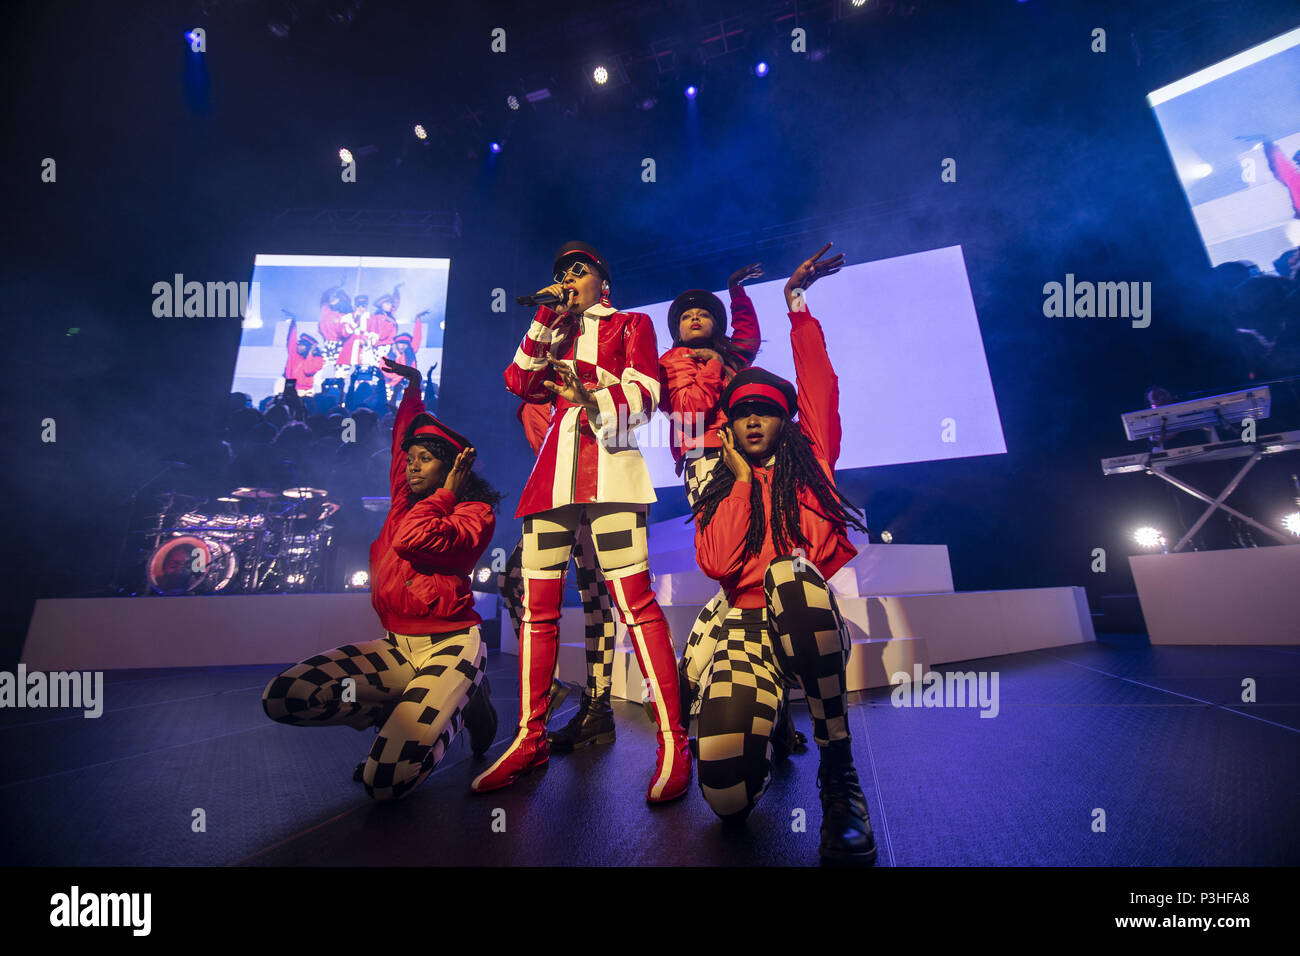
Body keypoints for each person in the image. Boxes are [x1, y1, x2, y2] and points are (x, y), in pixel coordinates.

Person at [471, 241, 691, 803]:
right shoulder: (554, 329)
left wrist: (588, 392)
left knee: (633, 602)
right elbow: (518, 382)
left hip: (612, 467)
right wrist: (547, 314)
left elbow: (646, 393)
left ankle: (673, 742)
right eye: (560, 270)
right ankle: (530, 739)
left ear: (603, 281)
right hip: (552, 478)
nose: (567, 277)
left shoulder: (631, 324)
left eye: (578, 269)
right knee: (537, 611)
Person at [690, 242, 877, 864]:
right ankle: (768, 725)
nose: (751, 421)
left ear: (787, 422)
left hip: (806, 617)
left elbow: (818, 380)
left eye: (765, 411)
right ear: (728, 427)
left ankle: (837, 770)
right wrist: (740, 480)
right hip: (742, 628)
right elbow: (718, 564)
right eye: (740, 413)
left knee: (791, 576)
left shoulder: (813, 457)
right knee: (725, 799)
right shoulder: (716, 479)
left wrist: (794, 304)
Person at [261, 356, 502, 802]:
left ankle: (466, 702)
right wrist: (412, 391)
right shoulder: (405, 498)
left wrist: (447, 491)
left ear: (452, 469)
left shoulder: (473, 513)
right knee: (287, 696)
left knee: (385, 783)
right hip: (396, 647)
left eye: (424, 460)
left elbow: (413, 540)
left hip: (450, 646)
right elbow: (401, 439)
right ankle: (390, 709)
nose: (411, 467)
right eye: (410, 460)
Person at [495, 399, 620, 752]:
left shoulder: (580, 364)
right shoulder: (533, 386)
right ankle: (553, 688)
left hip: (595, 488)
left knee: (594, 593)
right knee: (511, 581)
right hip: (555, 491)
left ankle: (598, 708)